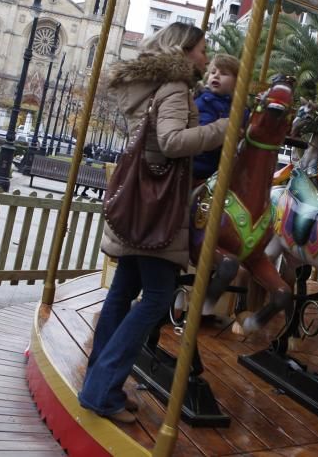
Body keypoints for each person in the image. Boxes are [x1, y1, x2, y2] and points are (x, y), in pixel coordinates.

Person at [78, 22, 227, 424]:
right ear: (183, 49)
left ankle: (100, 383)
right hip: (158, 207)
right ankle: (102, 389)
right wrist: (224, 129)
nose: (204, 57)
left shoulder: (146, 83)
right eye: (200, 50)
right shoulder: (175, 87)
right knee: (158, 298)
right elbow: (173, 141)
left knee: (122, 292)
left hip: (137, 200)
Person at [191, 53, 239, 183]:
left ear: (237, 82)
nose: (216, 75)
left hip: (218, 168)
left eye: (223, 73)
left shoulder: (236, 107)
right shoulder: (203, 102)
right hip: (199, 167)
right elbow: (203, 134)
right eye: (213, 72)